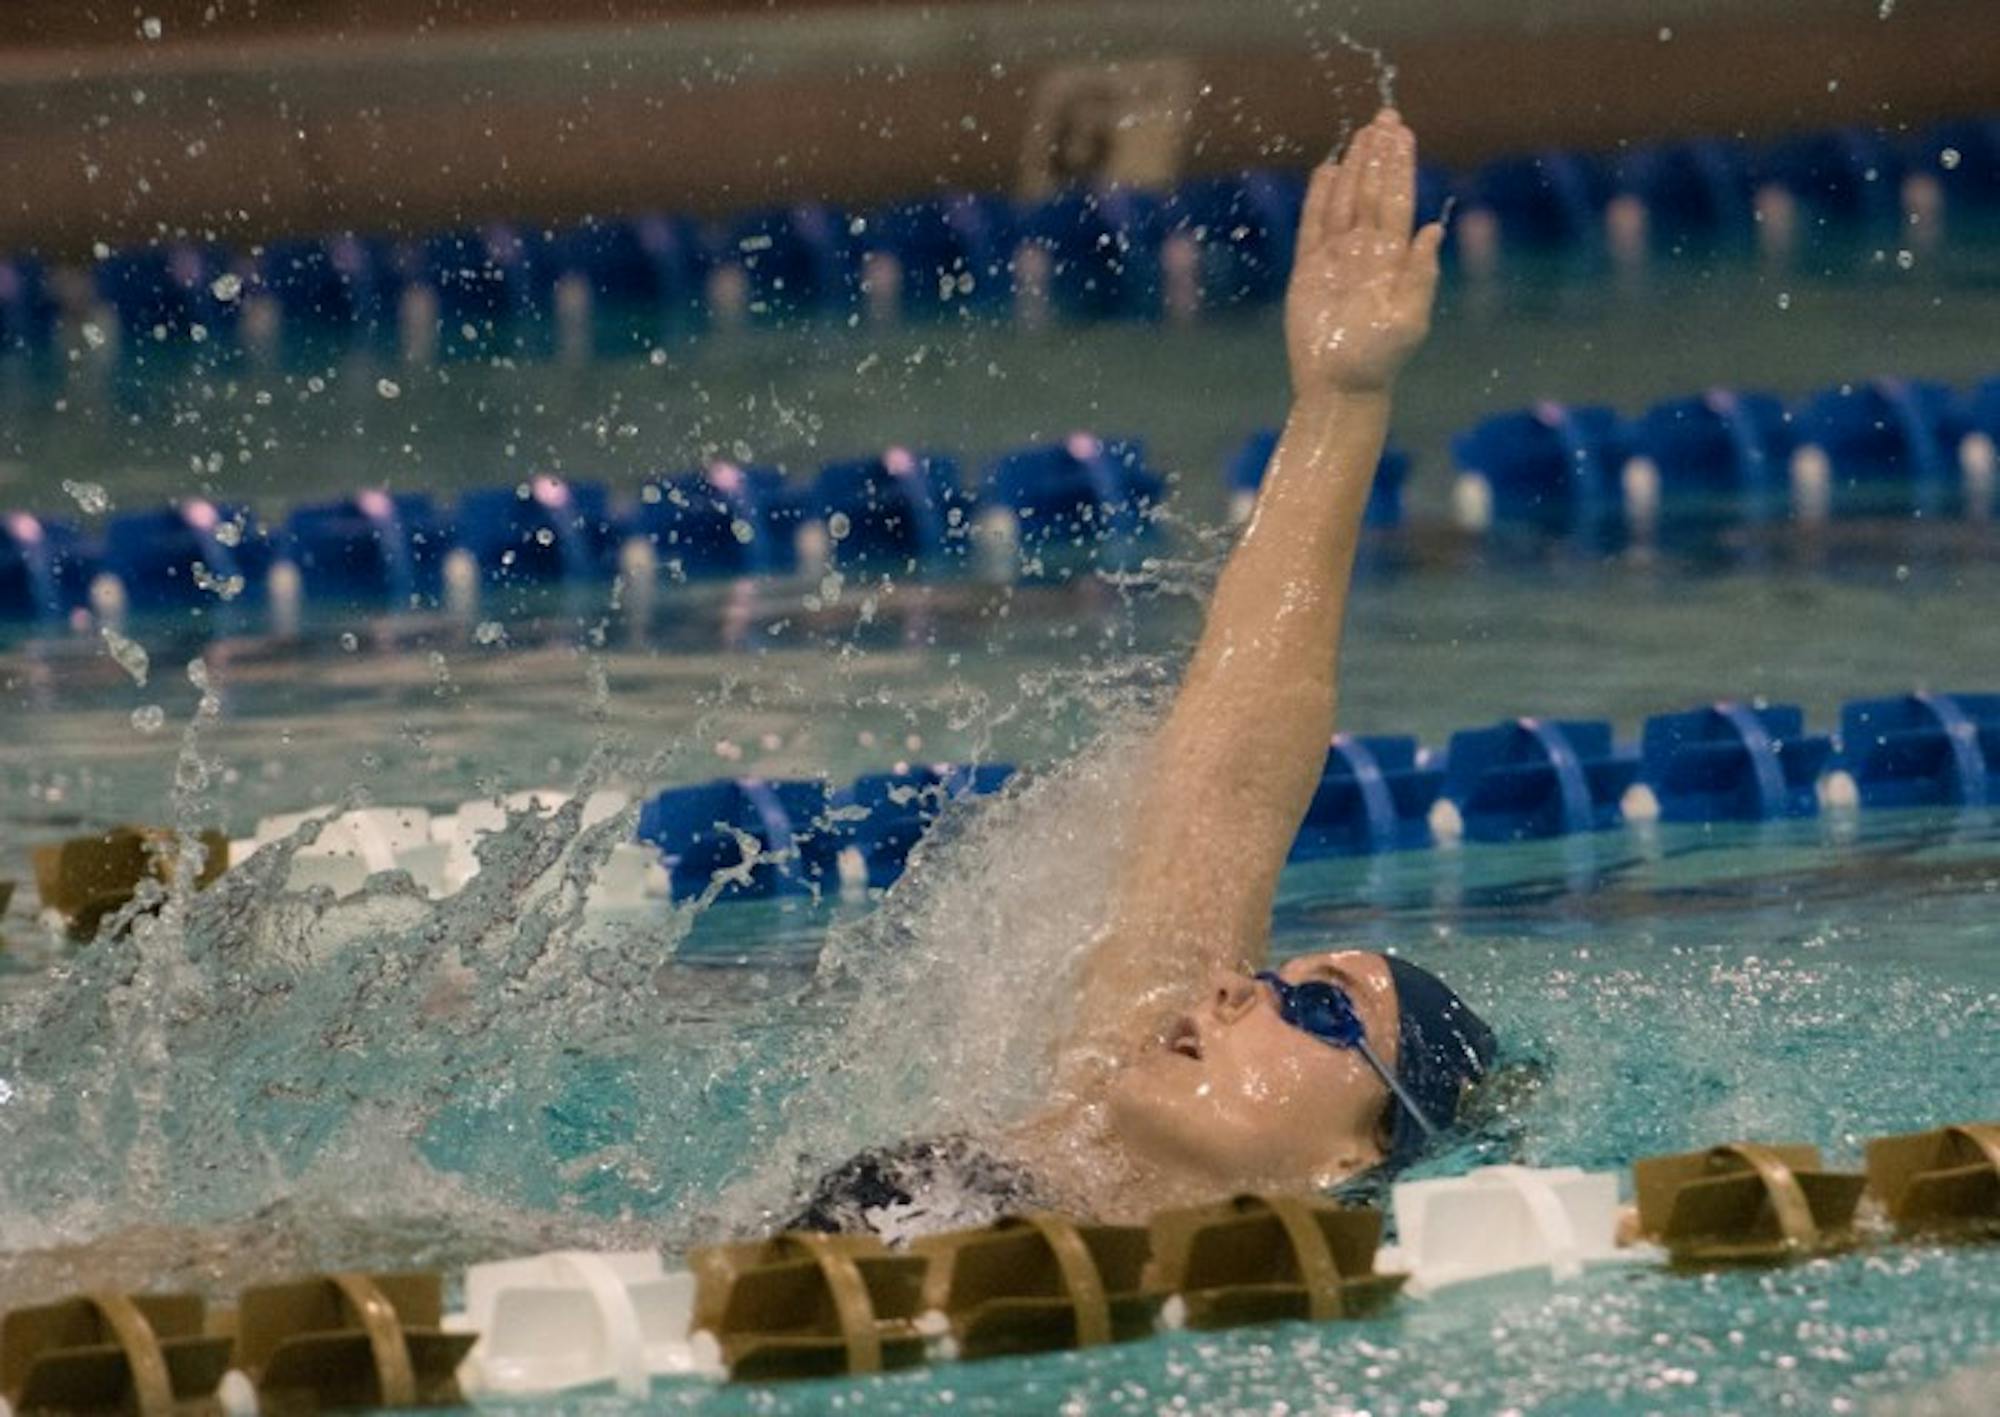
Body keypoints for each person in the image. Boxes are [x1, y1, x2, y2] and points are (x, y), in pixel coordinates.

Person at [793, 109, 1496, 1240]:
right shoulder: (1076, 1113)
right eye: (1275, 979)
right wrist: (1338, 401)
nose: (1227, 988)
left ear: (1352, 1158)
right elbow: (1229, 765)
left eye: (1316, 1008)